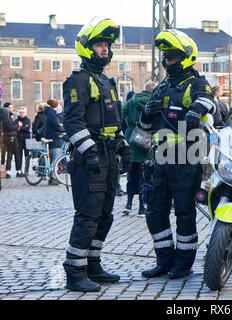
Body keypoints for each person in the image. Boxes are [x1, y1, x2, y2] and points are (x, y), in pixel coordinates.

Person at [138, 29, 217, 279]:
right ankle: (164, 260)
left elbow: (208, 101)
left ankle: (183, 263)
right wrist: (147, 113)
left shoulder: (196, 82)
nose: (167, 61)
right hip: (161, 157)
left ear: (185, 57)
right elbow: (145, 126)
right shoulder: (162, 87)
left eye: (172, 57)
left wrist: (195, 110)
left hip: (186, 156)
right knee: (155, 212)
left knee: (184, 213)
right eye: (166, 57)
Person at [62, 17, 130, 292]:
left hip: (108, 157)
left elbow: (115, 120)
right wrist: (89, 151)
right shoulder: (77, 81)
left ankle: (93, 265)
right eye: (99, 44)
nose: (105, 49)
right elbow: (73, 122)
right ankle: (74, 272)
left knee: (105, 215)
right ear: (87, 48)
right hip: (89, 160)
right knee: (88, 215)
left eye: (106, 45)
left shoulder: (106, 81)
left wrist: (123, 144)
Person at [122, 80, 156, 216]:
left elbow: (121, 114)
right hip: (146, 138)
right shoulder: (153, 102)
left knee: (131, 174)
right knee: (145, 176)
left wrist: (127, 131)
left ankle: (129, 204)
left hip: (131, 137)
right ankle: (142, 208)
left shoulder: (132, 100)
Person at [44, 99, 65, 185]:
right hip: (55, 137)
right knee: (56, 158)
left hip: (52, 136)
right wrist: (64, 130)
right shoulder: (52, 113)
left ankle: (52, 176)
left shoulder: (49, 112)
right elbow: (56, 125)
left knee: (54, 156)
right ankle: (53, 177)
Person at [2, 102, 22, 178]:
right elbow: (9, 127)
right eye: (11, 107)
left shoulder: (8, 117)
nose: (12, 109)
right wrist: (18, 126)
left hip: (11, 137)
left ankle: (10, 172)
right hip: (11, 138)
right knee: (14, 154)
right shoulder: (6, 117)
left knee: (12, 154)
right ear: (7, 109)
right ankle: (15, 171)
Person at [15, 107, 31, 176]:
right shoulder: (16, 120)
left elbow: (27, 129)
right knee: (19, 156)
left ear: (25, 113)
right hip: (18, 140)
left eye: (23, 112)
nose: (21, 114)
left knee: (27, 156)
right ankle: (19, 170)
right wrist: (22, 127)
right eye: (20, 113)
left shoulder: (28, 120)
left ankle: (26, 170)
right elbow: (15, 128)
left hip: (26, 140)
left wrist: (20, 127)